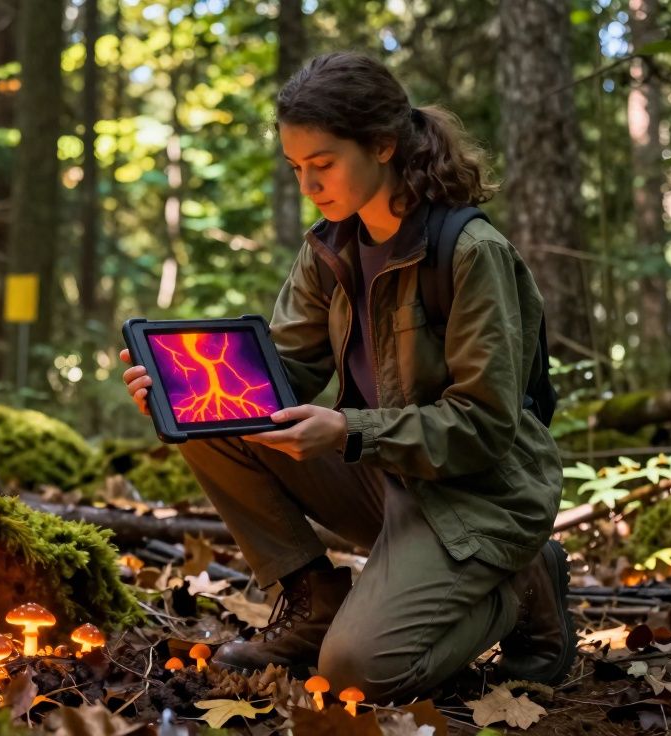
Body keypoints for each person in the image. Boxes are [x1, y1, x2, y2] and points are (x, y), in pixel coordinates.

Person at [119, 51, 575, 704]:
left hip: (481, 496)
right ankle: (315, 603)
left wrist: (349, 431)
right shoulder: (330, 246)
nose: (308, 184)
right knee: (207, 418)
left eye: (322, 164)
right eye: (295, 167)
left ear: (384, 145)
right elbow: (288, 373)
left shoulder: (473, 254)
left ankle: (518, 586)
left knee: (356, 674)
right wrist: (177, 389)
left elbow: (485, 425)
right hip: (384, 476)